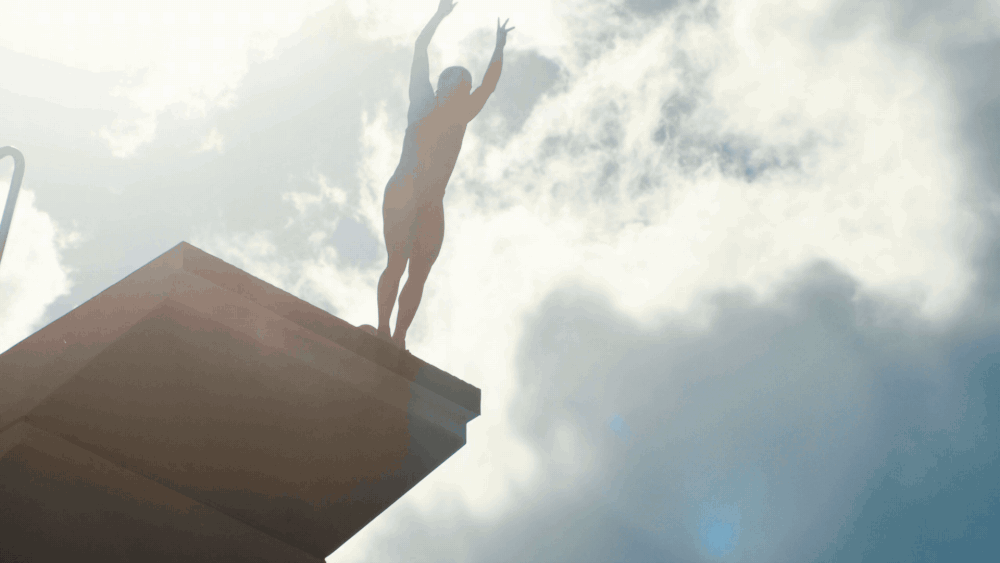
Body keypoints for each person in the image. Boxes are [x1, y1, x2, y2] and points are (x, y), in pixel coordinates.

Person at [367, 1, 514, 351]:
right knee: (397, 262)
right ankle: (383, 328)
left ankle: (399, 337)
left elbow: (489, 85)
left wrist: (498, 48)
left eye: (465, 84)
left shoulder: (462, 113)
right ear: (442, 85)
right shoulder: (422, 101)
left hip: (431, 202)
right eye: (457, 82)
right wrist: (439, 15)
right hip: (404, 189)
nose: (462, 88)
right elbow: (420, 48)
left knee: (419, 272)